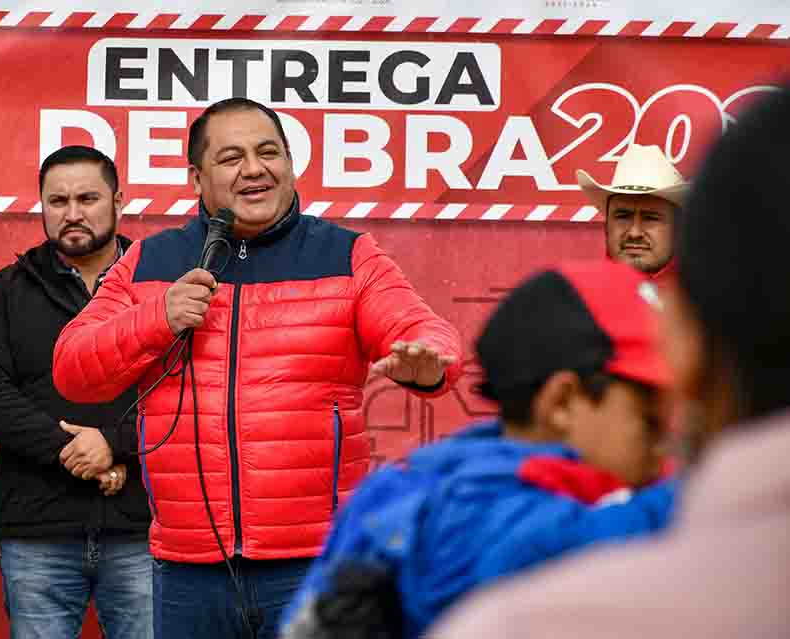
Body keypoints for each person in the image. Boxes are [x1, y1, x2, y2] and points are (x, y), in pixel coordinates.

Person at [51, 97, 463, 639]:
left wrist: (427, 365)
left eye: (269, 152)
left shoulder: (346, 254)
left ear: (290, 165)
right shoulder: (152, 261)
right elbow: (72, 369)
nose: (254, 168)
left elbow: (427, 334)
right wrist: (158, 317)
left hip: (316, 562)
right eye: (232, 157)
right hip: (188, 570)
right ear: (197, 178)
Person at [430, 86, 790, 639]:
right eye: (624, 215)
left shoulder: (721, 312)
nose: (635, 229)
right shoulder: (568, 304)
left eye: (652, 216)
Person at [278, 258, 676, 639]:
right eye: (650, 420)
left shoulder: (408, 484)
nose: (664, 446)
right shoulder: (517, 530)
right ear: (562, 402)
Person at [0, 145, 152, 639]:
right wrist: (75, 451)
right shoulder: (8, 290)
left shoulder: (159, 287)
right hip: (37, 533)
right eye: (57, 201)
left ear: (119, 201)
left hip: (144, 529)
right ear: (41, 206)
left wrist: (115, 444)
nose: (72, 214)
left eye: (88, 198)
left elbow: (189, 391)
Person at [578, 144, 687, 279]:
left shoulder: (707, 297)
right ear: (606, 226)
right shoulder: (577, 297)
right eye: (623, 216)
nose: (634, 233)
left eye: (650, 218)